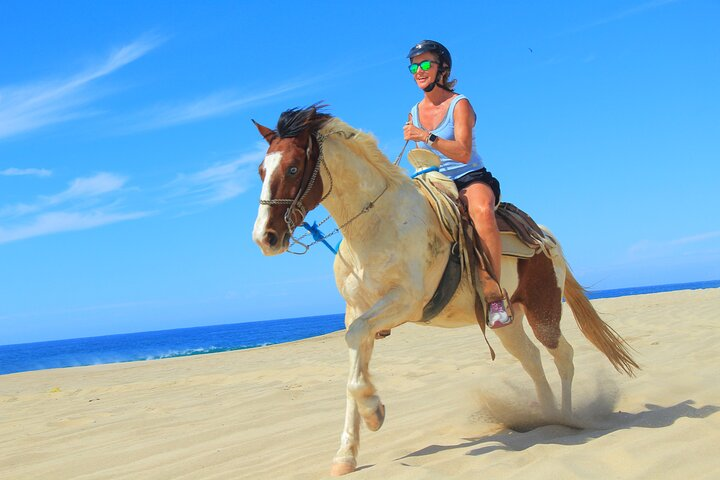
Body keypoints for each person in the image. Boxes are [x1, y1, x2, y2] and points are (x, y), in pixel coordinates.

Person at [403, 40, 511, 328]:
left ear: (442, 69)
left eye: (426, 63)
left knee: (481, 212)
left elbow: (463, 152)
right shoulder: (414, 110)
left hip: (469, 177)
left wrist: (426, 136)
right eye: (414, 65)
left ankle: (494, 294)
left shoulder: (459, 103)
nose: (419, 70)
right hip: (434, 180)